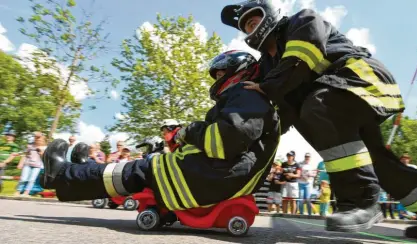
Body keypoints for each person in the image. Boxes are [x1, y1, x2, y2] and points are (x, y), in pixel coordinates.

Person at [220, 0, 417, 239]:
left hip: (363, 81)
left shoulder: (302, 21)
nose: (251, 30)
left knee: (316, 107)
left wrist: (266, 88)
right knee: (381, 167)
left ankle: (361, 201)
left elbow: (299, 63)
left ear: (269, 14)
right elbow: (281, 112)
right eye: (246, 28)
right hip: (333, 104)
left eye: (254, 22)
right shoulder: (268, 65)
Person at [40, 50, 281, 214]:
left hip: (215, 176)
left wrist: (190, 130)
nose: (217, 79)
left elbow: (224, 140)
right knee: (139, 169)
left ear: (239, 71)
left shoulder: (247, 95)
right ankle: (77, 173)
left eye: (220, 73)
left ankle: (62, 175)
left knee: (139, 169)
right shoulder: (249, 99)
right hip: (218, 174)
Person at [14, 132, 47, 196]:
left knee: (32, 180)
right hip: (27, 164)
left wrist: (41, 151)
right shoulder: (30, 145)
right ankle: (18, 191)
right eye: (36, 138)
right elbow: (25, 155)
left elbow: (45, 157)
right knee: (23, 178)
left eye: (39, 139)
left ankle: (26, 192)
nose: (38, 140)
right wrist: (20, 163)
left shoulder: (45, 147)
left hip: (37, 166)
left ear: (43, 140)